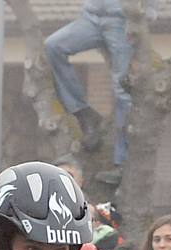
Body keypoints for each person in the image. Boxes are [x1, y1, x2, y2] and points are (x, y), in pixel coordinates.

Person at [43, 0, 135, 174]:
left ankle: (121, 161)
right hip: (90, 19)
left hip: (120, 21)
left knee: (122, 89)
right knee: (53, 46)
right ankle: (83, 111)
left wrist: (150, 10)